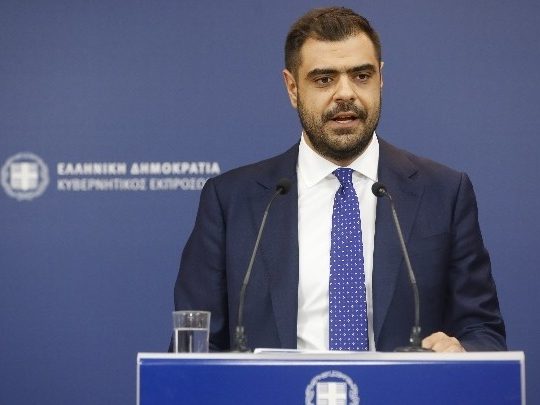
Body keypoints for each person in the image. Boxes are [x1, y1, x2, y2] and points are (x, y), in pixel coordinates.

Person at [173, 7, 506, 352]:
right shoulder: (231, 201)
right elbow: (195, 346)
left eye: (361, 76)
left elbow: (484, 331)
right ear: (292, 88)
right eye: (324, 79)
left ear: (380, 78)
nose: (345, 93)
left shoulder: (444, 192)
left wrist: (462, 352)